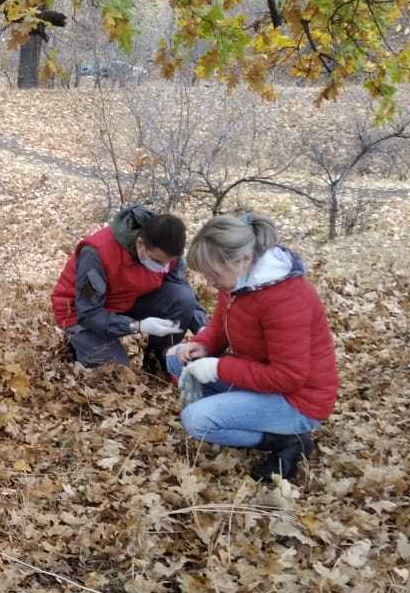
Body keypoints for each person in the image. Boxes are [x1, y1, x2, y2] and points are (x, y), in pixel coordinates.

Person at [167, 213, 338, 481]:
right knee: (176, 359)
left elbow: (289, 376)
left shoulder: (285, 300)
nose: (210, 282)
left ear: (245, 259)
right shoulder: (238, 282)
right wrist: (203, 344)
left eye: (213, 273)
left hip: (299, 400)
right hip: (265, 380)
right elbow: (220, 325)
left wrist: (219, 368)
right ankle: (235, 415)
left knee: (197, 420)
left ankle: (287, 440)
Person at [51, 204, 207, 373]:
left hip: (127, 300)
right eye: (157, 261)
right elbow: (88, 313)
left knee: (183, 298)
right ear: (140, 244)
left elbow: (183, 291)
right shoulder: (97, 254)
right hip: (81, 315)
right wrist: (136, 326)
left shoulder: (166, 250)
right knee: (117, 371)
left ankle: (159, 363)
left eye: (168, 262)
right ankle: (78, 344)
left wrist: (205, 330)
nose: (164, 267)